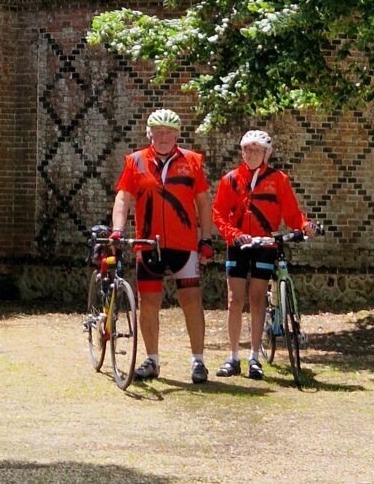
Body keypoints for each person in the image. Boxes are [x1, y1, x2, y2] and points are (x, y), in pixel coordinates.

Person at [111, 108, 215, 384]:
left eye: (169, 132)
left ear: (177, 135)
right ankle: (152, 360)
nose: (164, 137)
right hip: (148, 244)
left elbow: (203, 201)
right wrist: (117, 231)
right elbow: (123, 198)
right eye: (159, 132)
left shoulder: (192, 161)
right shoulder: (135, 161)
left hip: (184, 245)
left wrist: (206, 238)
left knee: (192, 301)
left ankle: (198, 361)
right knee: (148, 303)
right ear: (150, 134)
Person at [212, 129, 316, 381]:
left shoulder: (278, 179)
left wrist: (304, 225)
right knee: (234, 299)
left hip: (265, 244)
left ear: (266, 153)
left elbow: (291, 212)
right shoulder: (231, 179)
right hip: (238, 243)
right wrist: (233, 234)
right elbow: (218, 213)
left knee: (257, 299)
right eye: (247, 149)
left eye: (256, 149)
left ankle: (255, 357)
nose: (250, 153)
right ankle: (233, 356)